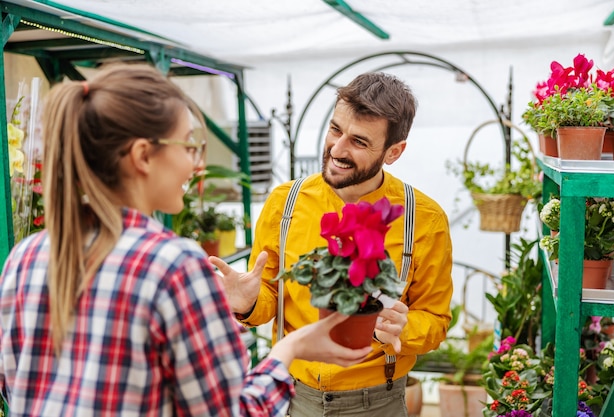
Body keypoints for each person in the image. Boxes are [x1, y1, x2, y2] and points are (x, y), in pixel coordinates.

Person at [0, 63, 372, 417]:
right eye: (188, 146)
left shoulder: (24, 257)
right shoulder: (172, 265)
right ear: (143, 155)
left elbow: (14, 386)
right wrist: (289, 350)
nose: (196, 165)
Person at [211, 72, 453, 416]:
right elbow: (269, 296)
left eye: (359, 141)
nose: (337, 149)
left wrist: (404, 327)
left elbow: (436, 319)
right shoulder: (285, 202)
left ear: (393, 152)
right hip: (291, 397)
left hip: (376, 402)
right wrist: (248, 303)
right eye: (335, 130)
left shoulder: (424, 219)